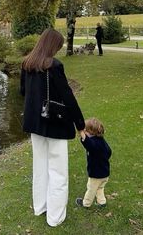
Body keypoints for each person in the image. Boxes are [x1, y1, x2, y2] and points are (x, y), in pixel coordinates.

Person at [20, 28, 85, 227]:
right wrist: (80, 125)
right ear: (52, 45)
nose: (58, 50)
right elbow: (67, 96)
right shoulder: (54, 66)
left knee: (39, 167)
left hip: (34, 123)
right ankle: (55, 217)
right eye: (58, 46)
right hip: (54, 123)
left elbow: (23, 92)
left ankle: (41, 207)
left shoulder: (27, 64)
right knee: (57, 171)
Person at [76, 118, 112, 208]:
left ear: (90, 132)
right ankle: (102, 202)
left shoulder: (93, 145)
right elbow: (109, 151)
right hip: (105, 173)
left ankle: (86, 203)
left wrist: (81, 133)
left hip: (96, 174)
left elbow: (89, 144)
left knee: (91, 189)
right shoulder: (101, 141)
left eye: (85, 131)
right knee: (100, 188)